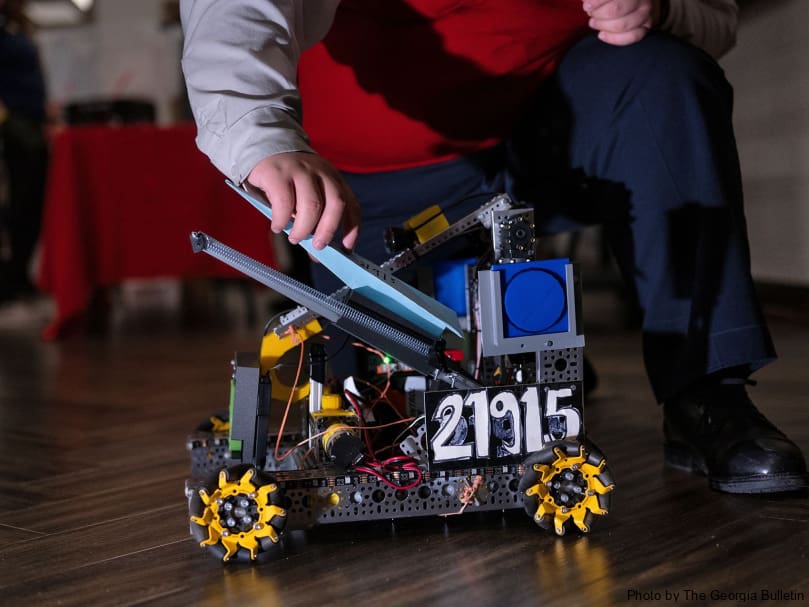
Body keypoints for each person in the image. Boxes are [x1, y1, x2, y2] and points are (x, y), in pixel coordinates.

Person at [179, 0, 808, 494]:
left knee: (665, 74)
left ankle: (706, 391)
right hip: (377, 181)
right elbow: (234, 12)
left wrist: (664, 8)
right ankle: (509, 367)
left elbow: (716, 17)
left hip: (542, 136)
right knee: (378, 402)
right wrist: (259, 135)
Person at [0, 0, 48, 304]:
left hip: (32, 120)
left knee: (31, 201)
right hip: (11, 124)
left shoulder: (19, 25)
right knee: (15, 202)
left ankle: (20, 273)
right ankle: (9, 278)